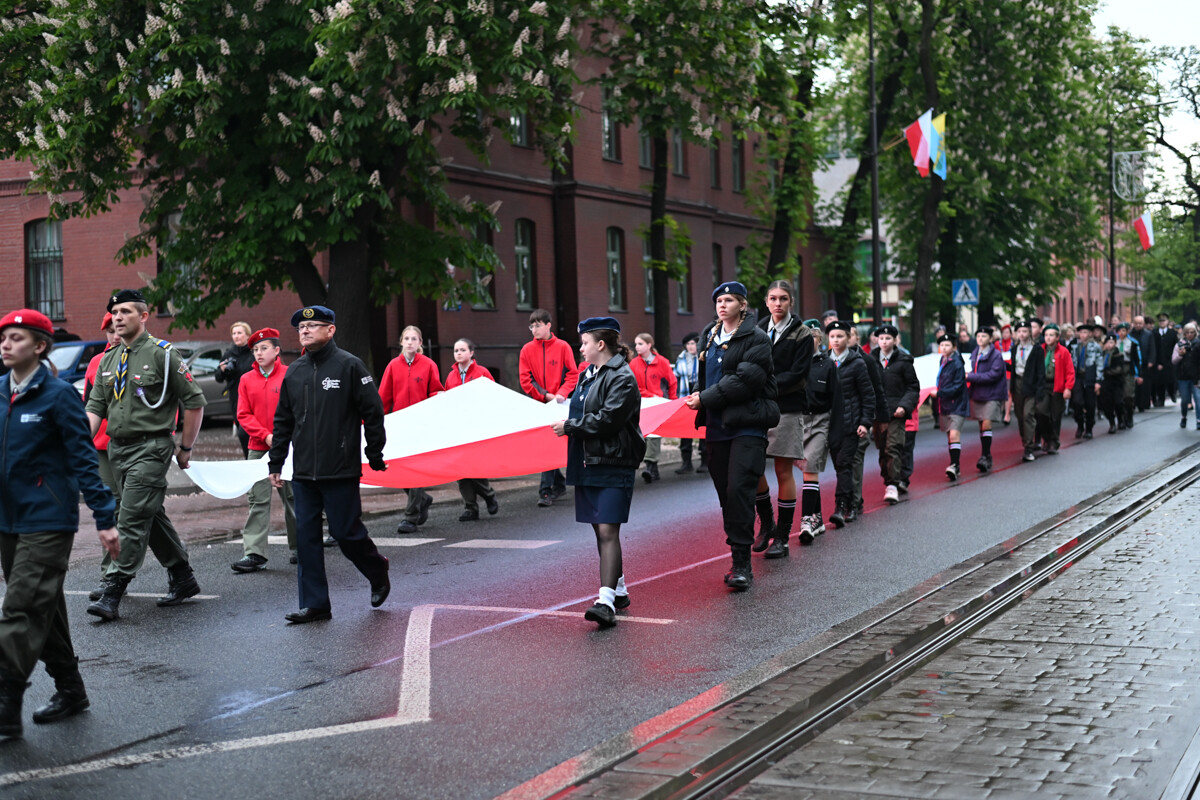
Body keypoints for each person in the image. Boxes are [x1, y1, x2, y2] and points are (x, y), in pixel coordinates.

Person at [0, 309, 119, 739]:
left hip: (48, 518)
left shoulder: (58, 395)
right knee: (43, 605)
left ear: (40, 346)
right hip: (8, 520)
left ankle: (5, 702)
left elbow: (84, 459)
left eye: (17, 337)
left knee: (20, 607)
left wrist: (104, 517)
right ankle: (71, 688)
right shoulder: (0, 391)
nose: (6, 344)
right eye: (4, 337)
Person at [84, 289, 206, 621]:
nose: (118, 318)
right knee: (148, 512)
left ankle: (113, 589)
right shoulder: (109, 359)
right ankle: (182, 575)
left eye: (125, 311)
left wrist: (186, 448)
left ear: (144, 316)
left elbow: (194, 402)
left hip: (151, 447)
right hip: (117, 449)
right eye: (114, 313)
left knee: (132, 517)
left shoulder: (164, 355)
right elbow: (95, 408)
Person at [268, 305, 391, 624]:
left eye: (313, 326)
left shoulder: (349, 365)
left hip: (340, 468)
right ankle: (315, 604)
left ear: (331, 330)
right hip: (304, 472)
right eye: (301, 328)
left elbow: (373, 412)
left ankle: (376, 569)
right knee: (307, 539)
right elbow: (283, 420)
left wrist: (374, 453)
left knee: (345, 533)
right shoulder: (294, 371)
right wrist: (276, 461)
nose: (305, 331)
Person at [684, 282, 779, 591]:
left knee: (739, 489)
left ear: (742, 305)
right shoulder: (708, 335)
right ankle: (761, 523)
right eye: (719, 301)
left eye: (729, 300)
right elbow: (704, 378)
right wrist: (697, 395)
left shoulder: (757, 338)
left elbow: (745, 381)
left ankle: (741, 565)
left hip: (747, 423)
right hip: (716, 425)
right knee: (727, 493)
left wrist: (705, 398)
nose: (722, 305)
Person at [551, 318, 645, 628]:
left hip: (613, 461)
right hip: (587, 461)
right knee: (599, 529)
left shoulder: (622, 377)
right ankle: (619, 590)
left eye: (585, 343)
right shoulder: (587, 375)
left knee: (607, 531)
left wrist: (569, 427)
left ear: (600, 344)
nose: (581, 348)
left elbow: (608, 419)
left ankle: (605, 602)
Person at [753, 280, 813, 558]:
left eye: (783, 298)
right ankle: (767, 523)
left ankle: (782, 538)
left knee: (782, 471)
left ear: (791, 301)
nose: (778, 303)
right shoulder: (756, 330)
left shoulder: (802, 334)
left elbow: (798, 375)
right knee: (752, 468)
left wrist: (765, 384)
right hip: (756, 408)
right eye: (773, 298)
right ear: (766, 301)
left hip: (786, 408)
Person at [231, 327, 297, 572]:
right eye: (255, 349)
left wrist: (282, 438)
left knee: (293, 497)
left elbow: (297, 410)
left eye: (264, 348)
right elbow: (243, 415)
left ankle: (301, 547)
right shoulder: (246, 379)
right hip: (258, 448)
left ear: (277, 350)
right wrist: (266, 436)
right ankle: (254, 553)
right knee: (257, 500)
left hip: (288, 447)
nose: (258, 353)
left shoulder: (290, 375)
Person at [380, 325, 444, 534]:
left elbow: (435, 391)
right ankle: (422, 499)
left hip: (421, 425)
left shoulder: (429, 365)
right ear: (401, 342)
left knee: (415, 470)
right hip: (399, 425)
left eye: (414, 339)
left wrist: (436, 400)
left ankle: (411, 517)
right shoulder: (392, 366)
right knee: (399, 468)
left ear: (420, 343)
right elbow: (384, 397)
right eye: (406, 338)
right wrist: (374, 420)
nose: (410, 342)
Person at [519, 309, 580, 506]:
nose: (534, 329)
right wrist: (545, 395)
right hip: (540, 404)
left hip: (560, 404)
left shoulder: (563, 347)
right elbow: (525, 379)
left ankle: (545, 491)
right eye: (531, 326)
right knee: (545, 446)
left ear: (548, 325)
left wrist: (562, 393)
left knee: (550, 445)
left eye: (537, 325)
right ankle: (558, 483)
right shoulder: (526, 350)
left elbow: (572, 374)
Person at [825, 321, 874, 529]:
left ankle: (843, 506)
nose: (836, 340)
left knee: (845, 463)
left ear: (848, 338)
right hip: (830, 424)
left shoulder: (857, 363)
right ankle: (851, 502)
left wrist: (865, 422)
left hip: (851, 424)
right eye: (832, 337)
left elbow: (867, 395)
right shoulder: (824, 362)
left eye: (840, 336)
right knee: (840, 467)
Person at [444, 338, 500, 521]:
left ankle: (488, 494)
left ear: (471, 352)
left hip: (477, 427)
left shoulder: (482, 373)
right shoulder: (451, 376)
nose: (459, 353)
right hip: (458, 428)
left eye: (462, 350)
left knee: (474, 465)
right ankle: (470, 507)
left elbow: (493, 396)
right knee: (460, 469)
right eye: (456, 350)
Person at [797, 321, 842, 544]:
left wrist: (836, 432)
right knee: (806, 471)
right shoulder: (794, 363)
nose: (809, 342)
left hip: (820, 421)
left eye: (813, 337)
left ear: (819, 340)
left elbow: (837, 400)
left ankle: (807, 520)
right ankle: (817, 518)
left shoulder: (828, 365)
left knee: (810, 466)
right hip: (798, 421)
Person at [870, 324, 919, 504]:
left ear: (895, 340)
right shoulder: (870, 360)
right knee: (882, 449)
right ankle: (888, 477)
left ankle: (892, 485)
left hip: (896, 413)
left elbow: (913, 387)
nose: (884, 342)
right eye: (881, 338)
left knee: (894, 447)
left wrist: (904, 406)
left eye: (888, 338)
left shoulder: (904, 361)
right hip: (877, 413)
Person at [630, 332, 678, 483]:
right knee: (643, 434)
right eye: (636, 344)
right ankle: (653, 469)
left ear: (649, 345)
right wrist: (647, 395)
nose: (637, 347)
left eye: (640, 344)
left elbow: (672, 382)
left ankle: (650, 466)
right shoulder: (633, 364)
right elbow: (632, 385)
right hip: (641, 403)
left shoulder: (662, 362)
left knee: (654, 435)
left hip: (658, 404)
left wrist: (672, 402)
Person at [849, 326, 885, 520]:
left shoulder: (867, 361)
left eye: (849, 335)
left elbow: (876, 391)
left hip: (861, 418)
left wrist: (881, 417)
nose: (842, 339)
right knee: (842, 462)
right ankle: (848, 498)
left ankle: (853, 501)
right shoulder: (829, 360)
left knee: (856, 458)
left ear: (856, 338)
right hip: (840, 420)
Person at [1024, 323, 1074, 454]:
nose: (1048, 337)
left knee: (1055, 416)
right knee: (1041, 412)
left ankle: (1054, 442)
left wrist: (1068, 388)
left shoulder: (1063, 352)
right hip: (1043, 385)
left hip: (1057, 386)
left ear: (1057, 337)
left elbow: (1070, 371)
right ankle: (1047, 438)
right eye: (1046, 335)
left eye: (1051, 335)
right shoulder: (1040, 350)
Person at [965, 326, 1006, 472]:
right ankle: (987, 455)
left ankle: (984, 455)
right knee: (981, 424)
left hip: (992, 393)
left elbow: (993, 375)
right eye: (978, 336)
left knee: (987, 423)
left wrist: (971, 376)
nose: (980, 339)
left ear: (990, 339)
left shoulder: (996, 355)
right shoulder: (975, 353)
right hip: (978, 393)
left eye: (984, 336)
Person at [930, 333, 968, 480]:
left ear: (954, 347)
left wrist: (940, 393)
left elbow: (958, 386)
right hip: (945, 404)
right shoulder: (943, 360)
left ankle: (954, 465)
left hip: (956, 404)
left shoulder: (957, 363)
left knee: (954, 434)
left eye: (947, 345)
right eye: (942, 345)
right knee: (949, 436)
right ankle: (954, 464)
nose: (944, 348)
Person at [216, 321, 255, 458]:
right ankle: (248, 458)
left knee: (249, 432)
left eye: (239, 333)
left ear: (248, 335)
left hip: (253, 397)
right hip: (236, 398)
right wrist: (222, 370)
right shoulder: (229, 354)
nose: (236, 336)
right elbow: (218, 378)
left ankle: (256, 458)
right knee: (242, 432)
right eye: (234, 333)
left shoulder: (254, 353)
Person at [673, 332, 706, 474]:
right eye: (689, 344)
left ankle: (705, 460)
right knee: (685, 428)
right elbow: (675, 378)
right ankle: (686, 462)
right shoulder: (681, 359)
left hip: (702, 395)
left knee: (703, 426)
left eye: (694, 343)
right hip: (685, 394)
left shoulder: (704, 357)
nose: (691, 346)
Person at [1009, 321, 1037, 462]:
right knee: (1020, 415)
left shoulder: (1036, 349)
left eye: (1024, 331)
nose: (1021, 334)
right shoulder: (1014, 349)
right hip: (1018, 383)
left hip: (1031, 384)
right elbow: (1013, 368)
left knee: (1028, 415)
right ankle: (1025, 439)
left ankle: (1029, 446)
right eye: (1019, 331)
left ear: (1029, 332)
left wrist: (1039, 390)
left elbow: (1040, 371)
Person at [1069, 323, 1102, 440]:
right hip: (1078, 377)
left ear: (1090, 334)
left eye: (1085, 332)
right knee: (1077, 402)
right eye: (1081, 332)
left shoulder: (1096, 347)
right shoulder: (1075, 347)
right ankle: (1080, 424)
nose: (1083, 335)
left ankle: (1089, 428)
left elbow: (1099, 364)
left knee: (1090, 404)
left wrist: (1098, 381)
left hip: (1090, 377)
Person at [1173, 322, 1200, 430]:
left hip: (1196, 377)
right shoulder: (1179, 344)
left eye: (1192, 332)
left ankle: (1199, 420)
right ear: (1184, 333)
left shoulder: (1198, 344)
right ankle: (1184, 417)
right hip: (1183, 376)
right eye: (1187, 332)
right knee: (1185, 400)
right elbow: (1174, 360)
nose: (1189, 334)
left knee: (1198, 399)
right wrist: (1180, 355)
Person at [1114, 322, 1141, 429]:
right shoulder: (1114, 342)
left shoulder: (1132, 343)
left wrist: (1138, 374)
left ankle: (1129, 416)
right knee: (1117, 398)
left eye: (1124, 330)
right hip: (1116, 370)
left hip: (1128, 369)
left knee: (1128, 396)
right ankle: (1120, 419)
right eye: (1119, 331)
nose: (1121, 333)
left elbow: (1137, 359)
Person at [1098, 334, 1127, 434]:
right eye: (1107, 343)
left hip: (1116, 382)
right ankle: (1112, 423)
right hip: (1106, 383)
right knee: (1107, 403)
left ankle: (1121, 419)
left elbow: (1119, 369)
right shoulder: (1102, 354)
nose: (1109, 345)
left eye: (1111, 342)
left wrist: (1107, 371)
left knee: (1118, 402)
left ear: (1115, 343)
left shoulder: (1118, 355)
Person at [1153, 313, 1178, 406]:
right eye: (1160, 321)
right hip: (1158, 360)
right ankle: (1161, 399)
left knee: (1171, 380)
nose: (1162, 322)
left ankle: (1172, 393)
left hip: (1170, 360)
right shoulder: (1155, 333)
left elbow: (1176, 346)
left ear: (1167, 321)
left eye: (1164, 321)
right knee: (1160, 381)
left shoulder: (1172, 333)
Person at [1131, 315, 1155, 412]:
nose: (1138, 325)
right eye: (1136, 323)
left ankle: (1143, 404)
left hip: (1145, 362)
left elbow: (1152, 348)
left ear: (1143, 324)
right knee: (1134, 385)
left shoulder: (1148, 334)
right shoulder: (1130, 334)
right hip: (1135, 363)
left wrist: (1151, 360)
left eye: (1140, 323)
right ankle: (1134, 403)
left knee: (1145, 385)